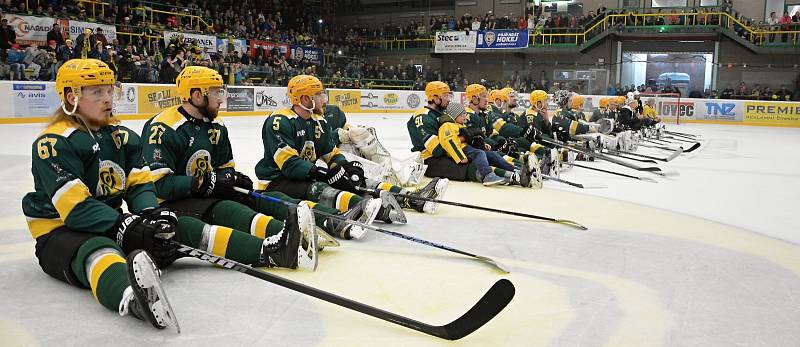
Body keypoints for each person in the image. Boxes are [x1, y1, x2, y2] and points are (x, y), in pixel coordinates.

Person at [21, 59, 178, 330]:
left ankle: (265, 249)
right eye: (96, 92)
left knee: (174, 226)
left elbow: (139, 183)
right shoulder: (53, 143)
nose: (108, 99)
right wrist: (123, 224)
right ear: (72, 97)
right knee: (99, 251)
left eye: (109, 91)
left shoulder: (122, 136)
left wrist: (149, 214)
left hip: (108, 223)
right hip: (59, 232)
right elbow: (77, 209)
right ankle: (136, 300)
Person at [141, 66, 319, 269]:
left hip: (204, 194)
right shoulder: (163, 128)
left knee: (249, 195)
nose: (221, 99)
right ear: (197, 95)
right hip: (173, 202)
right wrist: (206, 182)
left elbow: (225, 167)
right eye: (216, 92)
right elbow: (160, 185)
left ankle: (302, 231)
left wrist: (231, 178)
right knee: (227, 209)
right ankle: (282, 240)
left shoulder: (217, 126)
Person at [254, 75, 392, 238]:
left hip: (306, 175)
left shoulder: (319, 121)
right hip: (277, 181)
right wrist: (323, 173)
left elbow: (331, 153)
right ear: (305, 99)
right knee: (318, 188)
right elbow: (290, 165)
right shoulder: (279, 121)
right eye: (318, 95)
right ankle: (362, 206)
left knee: (348, 179)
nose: (324, 99)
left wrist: (345, 167)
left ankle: (391, 198)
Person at [327, 103, 449, 214]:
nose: (322, 99)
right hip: (327, 165)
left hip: (337, 157)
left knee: (364, 175)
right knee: (362, 178)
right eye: (318, 94)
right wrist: (336, 136)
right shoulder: (312, 121)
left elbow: (343, 129)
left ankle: (413, 198)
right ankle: (403, 194)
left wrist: (349, 132)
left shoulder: (333, 112)